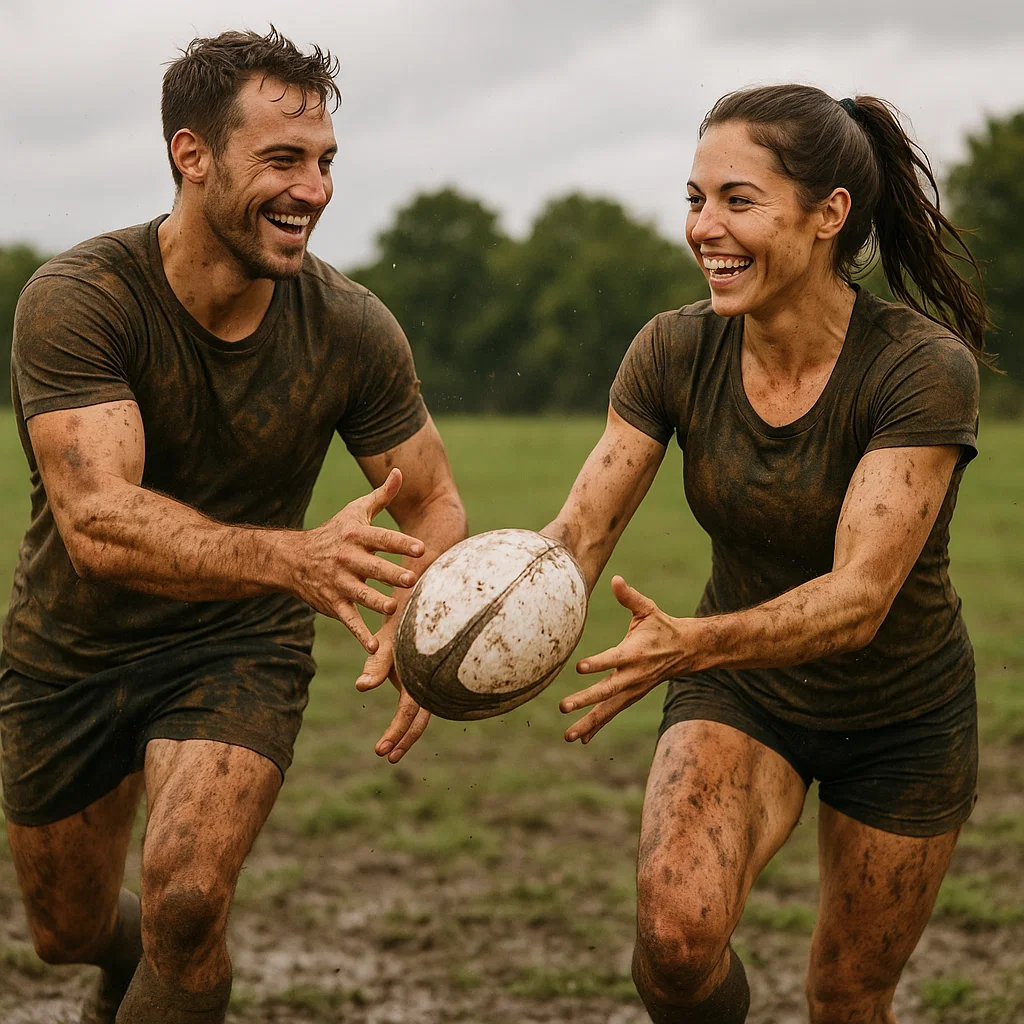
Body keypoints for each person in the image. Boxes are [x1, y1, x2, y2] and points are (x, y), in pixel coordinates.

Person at [1, 28, 466, 1024]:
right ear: (192, 155)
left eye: (326, 161)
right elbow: (97, 524)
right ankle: (123, 974)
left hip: (237, 642)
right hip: (70, 646)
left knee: (186, 895)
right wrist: (296, 555)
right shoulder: (80, 300)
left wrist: (426, 618)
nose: (314, 189)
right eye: (282, 160)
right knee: (67, 931)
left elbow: (428, 496)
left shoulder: (350, 325)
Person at [543, 85, 989, 1024]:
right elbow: (578, 536)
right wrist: (444, 637)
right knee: (673, 945)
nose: (706, 227)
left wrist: (692, 642)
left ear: (829, 216)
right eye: (696, 199)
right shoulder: (673, 348)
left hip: (902, 718)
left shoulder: (917, 366)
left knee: (847, 996)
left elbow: (860, 595)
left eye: (738, 201)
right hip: (745, 691)